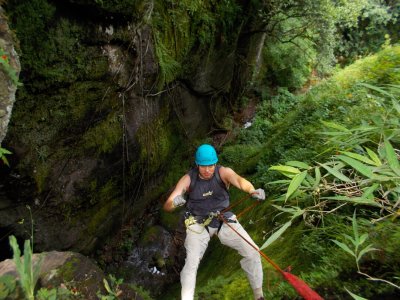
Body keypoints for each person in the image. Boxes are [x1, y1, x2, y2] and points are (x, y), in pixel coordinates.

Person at [163, 144, 266, 300]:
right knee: (191, 264)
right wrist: (175, 202)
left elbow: (239, 181)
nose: (207, 170)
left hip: (224, 220)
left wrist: (252, 191)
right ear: (197, 164)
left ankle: (259, 295)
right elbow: (168, 205)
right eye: (203, 166)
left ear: (215, 163)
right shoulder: (188, 179)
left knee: (253, 251)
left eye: (211, 165)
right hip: (198, 225)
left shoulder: (223, 172)